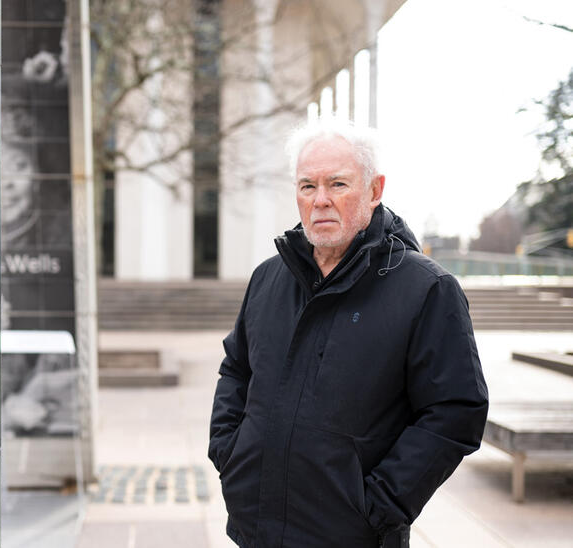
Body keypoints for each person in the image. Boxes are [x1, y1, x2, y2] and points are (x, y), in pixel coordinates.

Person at [208, 119, 488, 548]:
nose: (320, 200)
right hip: (256, 529)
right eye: (307, 186)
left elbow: (455, 411)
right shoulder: (268, 278)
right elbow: (236, 369)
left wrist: (378, 505)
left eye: (337, 184)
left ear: (374, 190)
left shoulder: (426, 289)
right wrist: (229, 453)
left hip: (353, 536)